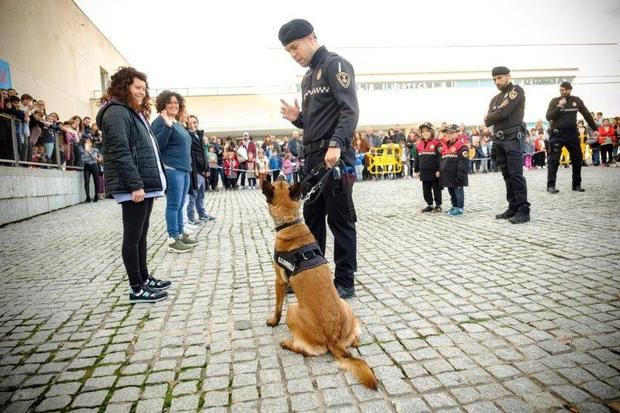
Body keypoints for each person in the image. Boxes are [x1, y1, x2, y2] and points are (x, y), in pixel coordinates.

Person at [278, 18, 359, 299]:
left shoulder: (336, 65)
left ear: (311, 37)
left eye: (295, 47)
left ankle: (345, 280)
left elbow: (349, 111)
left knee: (341, 221)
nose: (293, 54)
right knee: (312, 222)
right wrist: (299, 119)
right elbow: (317, 121)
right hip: (312, 160)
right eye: (288, 51)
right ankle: (313, 275)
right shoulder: (307, 77)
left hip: (335, 159)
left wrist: (336, 144)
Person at [97, 67, 171, 303]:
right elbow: (120, 151)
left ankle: (144, 277)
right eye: (137, 87)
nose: (142, 92)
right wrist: (135, 184)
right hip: (133, 186)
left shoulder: (132, 111)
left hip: (142, 184)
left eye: (144, 88)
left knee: (141, 234)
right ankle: (136, 288)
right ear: (124, 86)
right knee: (132, 236)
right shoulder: (116, 112)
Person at [151, 90, 198, 252]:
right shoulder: (160, 122)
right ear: (163, 104)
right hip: (172, 169)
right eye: (170, 102)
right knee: (173, 205)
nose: (173, 105)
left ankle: (179, 234)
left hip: (184, 170)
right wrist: (168, 127)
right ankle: (172, 239)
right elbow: (157, 145)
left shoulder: (176, 122)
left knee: (179, 206)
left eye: (176, 102)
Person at [484, 66, 530, 224]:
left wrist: (493, 115)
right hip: (499, 140)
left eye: (500, 77)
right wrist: (494, 115)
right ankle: (513, 207)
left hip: (512, 138)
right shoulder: (495, 99)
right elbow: (487, 119)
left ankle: (524, 210)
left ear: (509, 76)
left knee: (516, 175)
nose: (497, 81)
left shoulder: (516, 91)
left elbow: (501, 114)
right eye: (495, 79)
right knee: (506, 175)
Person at [545, 81, 598, 193]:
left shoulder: (576, 100)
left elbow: (587, 115)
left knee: (577, 159)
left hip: (572, 134)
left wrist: (595, 129)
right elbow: (548, 117)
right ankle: (550, 186)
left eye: (565, 90)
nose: (563, 92)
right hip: (557, 134)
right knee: (553, 160)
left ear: (570, 89)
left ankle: (576, 185)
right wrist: (559, 106)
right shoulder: (555, 101)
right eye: (561, 90)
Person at [186, 115, 215, 223]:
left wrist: (207, 168)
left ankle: (202, 214)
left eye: (195, 122)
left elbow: (204, 154)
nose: (193, 125)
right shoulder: (188, 136)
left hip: (202, 171)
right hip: (195, 171)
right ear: (187, 124)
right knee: (193, 195)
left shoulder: (200, 135)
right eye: (191, 123)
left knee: (201, 195)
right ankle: (191, 218)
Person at [440, 124, 469, 216]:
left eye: (451, 133)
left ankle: (460, 208)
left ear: (457, 133)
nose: (449, 135)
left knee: (458, 191)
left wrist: (460, 175)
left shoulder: (462, 146)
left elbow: (463, 163)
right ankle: (454, 206)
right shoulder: (445, 145)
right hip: (448, 175)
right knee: (451, 192)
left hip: (457, 174)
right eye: (447, 133)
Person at [414, 122, 442, 212]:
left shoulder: (437, 143)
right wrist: (417, 169)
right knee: (426, 190)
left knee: (436, 189)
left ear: (431, 132)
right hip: (424, 171)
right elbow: (417, 158)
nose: (425, 133)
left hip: (434, 172)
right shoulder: (419, 144)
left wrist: (439, 170)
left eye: (427, 131)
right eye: (423, 132)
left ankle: (438, 205)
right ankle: (429, 204)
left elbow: (440, 158)